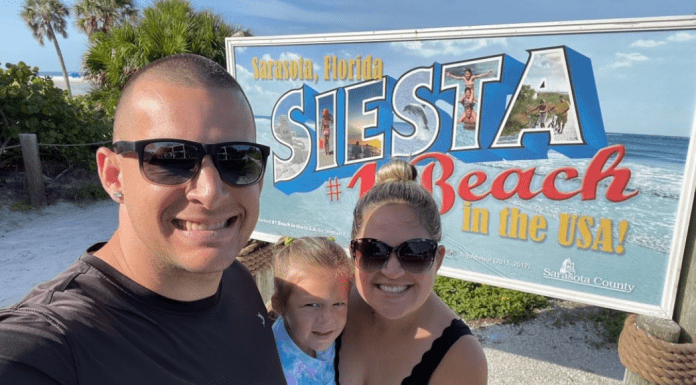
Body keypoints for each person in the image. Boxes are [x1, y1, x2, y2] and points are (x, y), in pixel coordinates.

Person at [0, 54, 287, 384]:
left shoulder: (237, 280)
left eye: (238, 159)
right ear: (113, 176)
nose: (210, 192)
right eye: (171, 158)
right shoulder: (51, 347)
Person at [335, 159, 487, 384]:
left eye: (415, 253)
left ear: (438, 259)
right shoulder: (332, 302)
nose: (392, 271)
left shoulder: (461, 358)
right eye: (374, 250)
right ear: (354, 253)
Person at [271, 236, 352, 385]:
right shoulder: (274, 370)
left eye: (339, 303)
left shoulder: (314, 334)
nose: (328, 318)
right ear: (280, 305)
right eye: (313, 305)